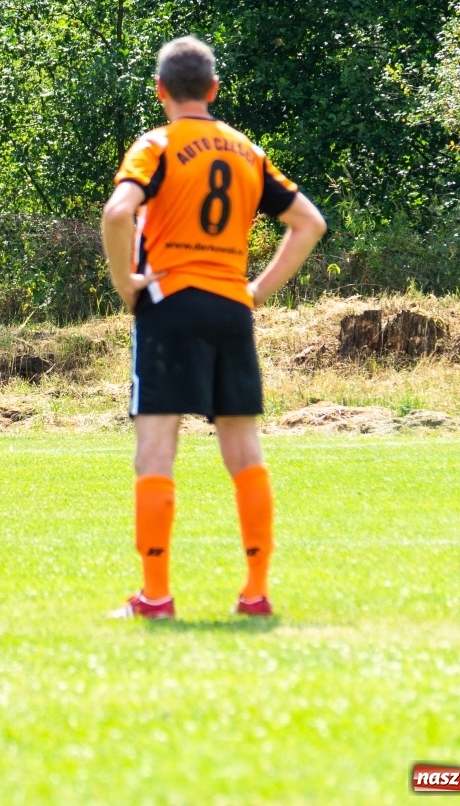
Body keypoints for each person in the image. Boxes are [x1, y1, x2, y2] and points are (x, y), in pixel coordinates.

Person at [100, 36, 325, 619]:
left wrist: (127, 282)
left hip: (170, 305)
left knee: (156, 448)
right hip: (230, 309)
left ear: (160, 91)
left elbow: (118, 212)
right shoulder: (247, 150)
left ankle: (155, 596)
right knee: (244, 451)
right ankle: (255, 593)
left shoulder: (156, 145)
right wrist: (255, 291)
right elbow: (309, 223)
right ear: (214, 89)